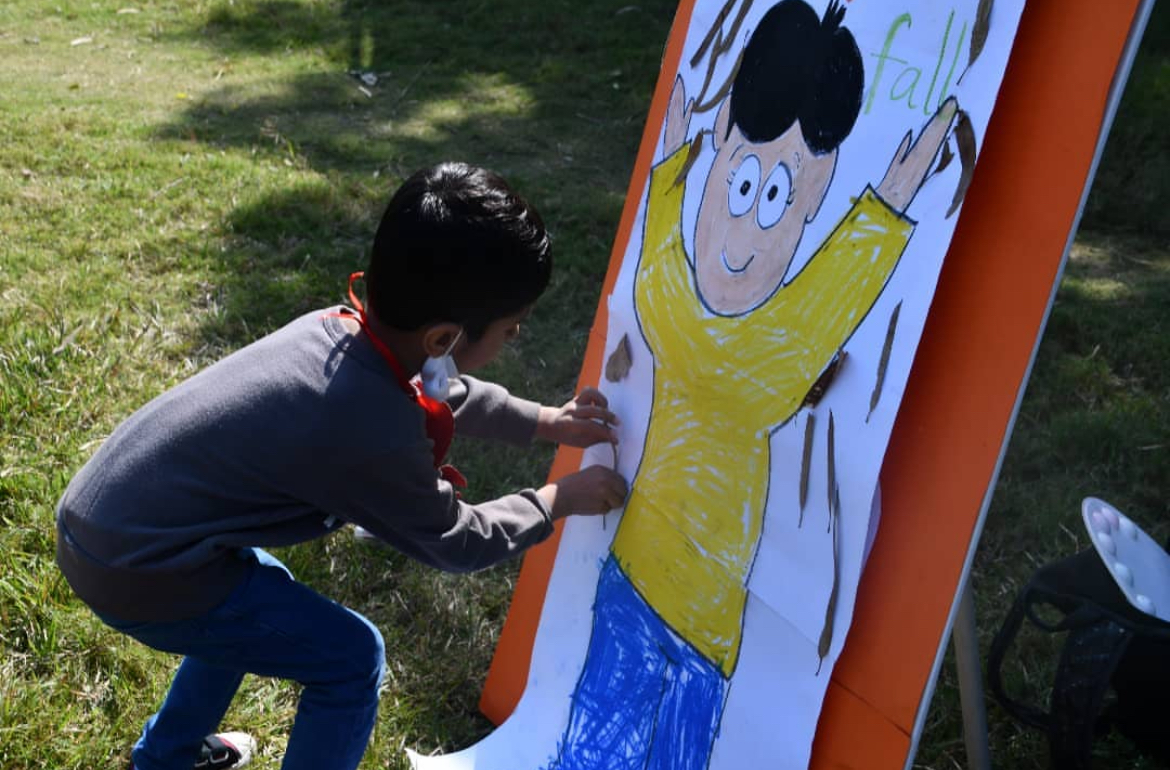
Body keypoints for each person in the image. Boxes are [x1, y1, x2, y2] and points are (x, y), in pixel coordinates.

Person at [55, 161, 627, 770]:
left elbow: (442, 393)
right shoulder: (368, 428)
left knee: (259, 595)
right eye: (511, 330)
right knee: (351, 658)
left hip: (107, 524)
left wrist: (547, 421)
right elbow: (455, 541)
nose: (514, 338)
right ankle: (167, 751)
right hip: (138, 567)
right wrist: (556, 500)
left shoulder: (341, 332)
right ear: (442, 339)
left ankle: (166, 754)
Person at [543, 2, 957, 768]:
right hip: (635, 590)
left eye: (779, 201)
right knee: (588, 755)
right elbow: (673, 249)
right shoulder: (706, 319)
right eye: (741, 186)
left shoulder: (781, 342)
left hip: (711, 638)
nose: (747, 234)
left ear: (810, 204)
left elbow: (841, 280)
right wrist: (672, 166)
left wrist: (893, 202)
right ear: (721, 155)